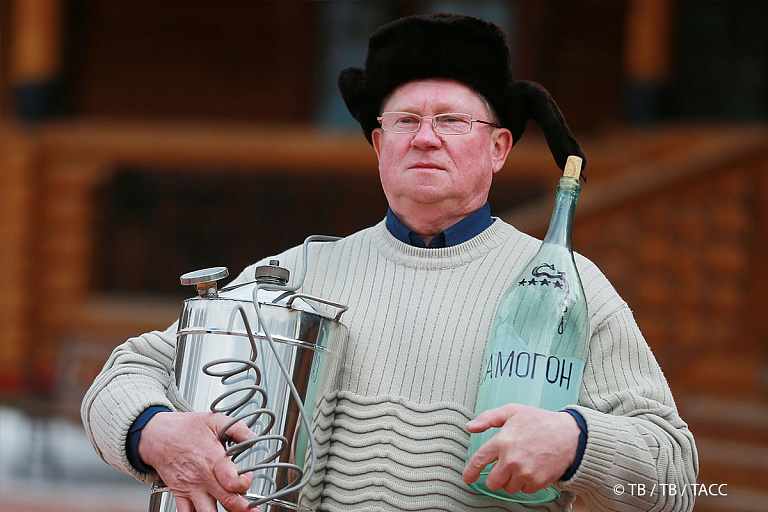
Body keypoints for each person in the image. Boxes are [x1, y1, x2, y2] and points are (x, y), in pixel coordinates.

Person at [81, 13, 698, 512]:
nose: (425, 137)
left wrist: (577, 442)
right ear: (380, 145)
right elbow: (125, 372)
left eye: (452, 121)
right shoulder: (301, 273)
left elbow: (675, 479)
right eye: (405, 121)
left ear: (500, 147)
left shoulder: (566, 289)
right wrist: (151, 431)